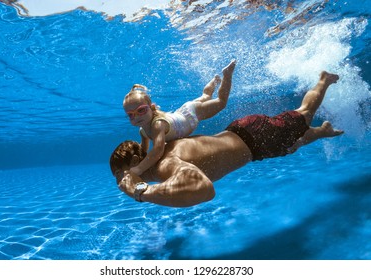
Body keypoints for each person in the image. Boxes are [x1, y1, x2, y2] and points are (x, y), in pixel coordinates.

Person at [111, 71, 344, 207]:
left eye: (120, 175)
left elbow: (203, 189)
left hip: (255, 137)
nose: (121, 183)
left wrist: (138, 190)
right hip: (249, 140)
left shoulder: (164, 164)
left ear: (133, 164)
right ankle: (323, 130)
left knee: (303, 114)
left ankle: (323, 79)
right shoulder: (157, 150)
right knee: (290, 145)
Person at [123, 59, 236, 176]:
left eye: (141, 110)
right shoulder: (143, 131)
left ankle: (227, 74)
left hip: (192, 114)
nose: (136, 117)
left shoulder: (158, 125)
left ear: (152, 108)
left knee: (221, 102)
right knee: (206, 96)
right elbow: (144, 150)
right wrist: (134, 162)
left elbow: (158, 150)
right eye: (131, 114)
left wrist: (139, 169)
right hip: (183, 111)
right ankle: (215, 81)